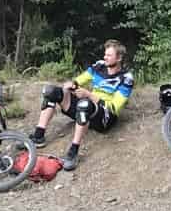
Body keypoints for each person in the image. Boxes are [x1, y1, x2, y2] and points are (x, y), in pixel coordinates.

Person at [30, 39, 134, 172]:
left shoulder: (126, 78)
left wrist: (89, 95)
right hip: (89, 107)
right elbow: (80, 79)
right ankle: (39, 136)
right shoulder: (99, 66)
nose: (105, 57)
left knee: (84, 104)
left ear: (119, 58)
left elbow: (113, 108)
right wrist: (72, 85)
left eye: (109, 55)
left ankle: (73, 152)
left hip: (105, 118)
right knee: (51, 91)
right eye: (105, 54)